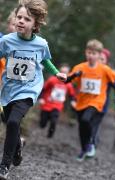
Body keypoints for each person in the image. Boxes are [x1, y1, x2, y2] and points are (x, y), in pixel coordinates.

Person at [0, 0, 67, 179]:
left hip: (29, 89)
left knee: (14, 122)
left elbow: (45, 60)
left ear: (35, 24)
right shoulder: (6, 41)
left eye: (26, 19)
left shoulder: (41, 44)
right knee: (9, 121)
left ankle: (4, 165)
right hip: (8, 90)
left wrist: (56, 73)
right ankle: (18, 148)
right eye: (19, 17)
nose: (21, 21)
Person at [68, 39, 115, 161]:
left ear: (99, 55)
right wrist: (66, 79)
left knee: (86, 119)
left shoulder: (104, 69)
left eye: (94, 53)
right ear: (85, 53)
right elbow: (70, 81)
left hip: (97, 102)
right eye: (89, 53)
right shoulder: (80, 67)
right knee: (82, 127)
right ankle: (84, 149)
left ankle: (90, 144)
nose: (91, 56)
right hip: (81, 102)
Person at [39, 64, 76, 138]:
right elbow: (43, 89)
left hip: (57, 105)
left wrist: (72, 101)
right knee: (42, 123)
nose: (63, 74)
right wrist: (41, 98)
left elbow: (72, 94)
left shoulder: (68, 84)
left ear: (68, 74)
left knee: (54, 120)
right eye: (62, 72)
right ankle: (43, 123)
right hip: (47, 104)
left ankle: (50, 134)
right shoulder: (52, 80)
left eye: (65, 72)